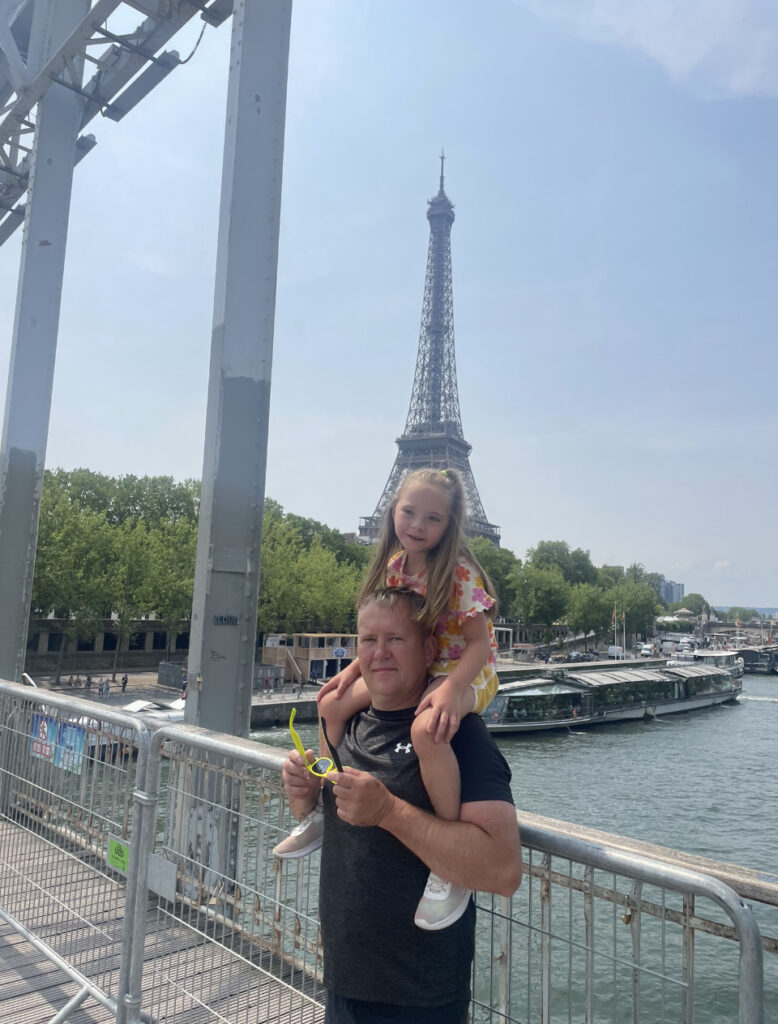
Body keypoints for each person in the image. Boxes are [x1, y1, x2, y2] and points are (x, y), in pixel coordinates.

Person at [279, 588, 521, 1023]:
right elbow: (339, 822)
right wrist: (304, 798)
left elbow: (502, 871)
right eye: (368, 640)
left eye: (396, 639)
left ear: (429, 648)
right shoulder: (348, 722)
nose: (379, 653)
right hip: (342, 978)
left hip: (420, 998)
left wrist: (388, 812)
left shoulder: (458, 734)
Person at [275, 468, 499, 931]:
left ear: (450, 525)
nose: (417, 525)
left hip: (464, 671)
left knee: (425, 728)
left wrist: (453, 689)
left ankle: (446, 857)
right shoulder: (397, 567)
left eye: (432, 519)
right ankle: (321, 805)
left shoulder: (459, 572)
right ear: (392, 511)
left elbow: (479, 646)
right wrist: (351, 671)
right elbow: (383, 631)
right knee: (330, 705)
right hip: (421, 661)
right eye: (409, 512)